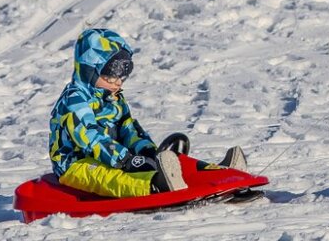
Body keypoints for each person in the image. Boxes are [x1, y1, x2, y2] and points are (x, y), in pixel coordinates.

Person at [48, 28, 240, 198]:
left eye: (121, 77)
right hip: (75, 164)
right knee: (111, 177)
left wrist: (147, 152)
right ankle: (156, 186)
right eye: (109, 77)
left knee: (159, 160)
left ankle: (216, 172)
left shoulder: (114, 98)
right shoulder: (74, 100)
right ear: (90, 71)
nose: (116, 83)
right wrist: (125, 160)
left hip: (115, 157)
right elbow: (90, 138)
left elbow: (128, 130)